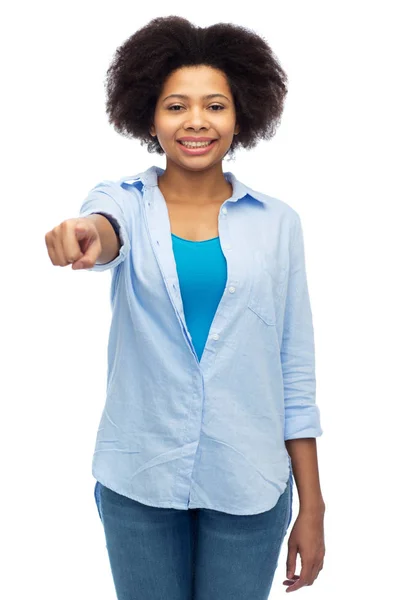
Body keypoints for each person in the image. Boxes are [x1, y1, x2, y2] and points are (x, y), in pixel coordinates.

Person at [44, 15, 325, 600]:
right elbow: (104, 230)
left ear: (241, 114)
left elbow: (293, 370)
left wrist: (314, 503)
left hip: (251, 483)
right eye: (177, 106)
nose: (196, 121)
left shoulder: (279, 224)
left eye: (215, 105)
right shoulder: (123, 201)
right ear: (149, 114)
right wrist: (85, 234)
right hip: (139, 478)